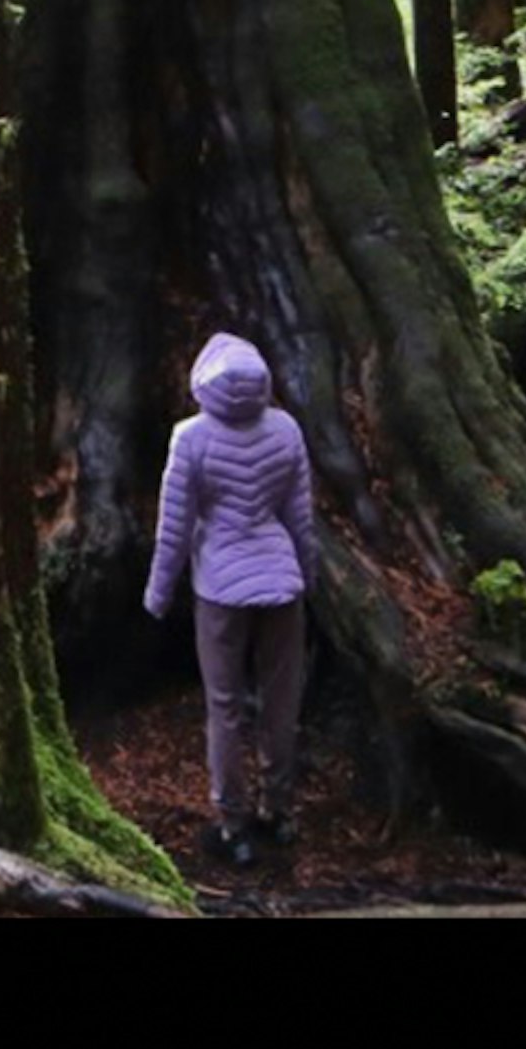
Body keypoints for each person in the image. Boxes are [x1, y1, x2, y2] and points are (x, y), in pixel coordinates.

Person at [143, 329, 319, 866]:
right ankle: (280, 812)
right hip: (281, 583)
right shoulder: (285, 429)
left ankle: (233, 825)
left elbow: (173, 528)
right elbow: (300, 516)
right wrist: (305, 575)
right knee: (280, 701)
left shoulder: (190, 438)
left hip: (220, 586)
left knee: (225, 708)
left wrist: (158, 592)